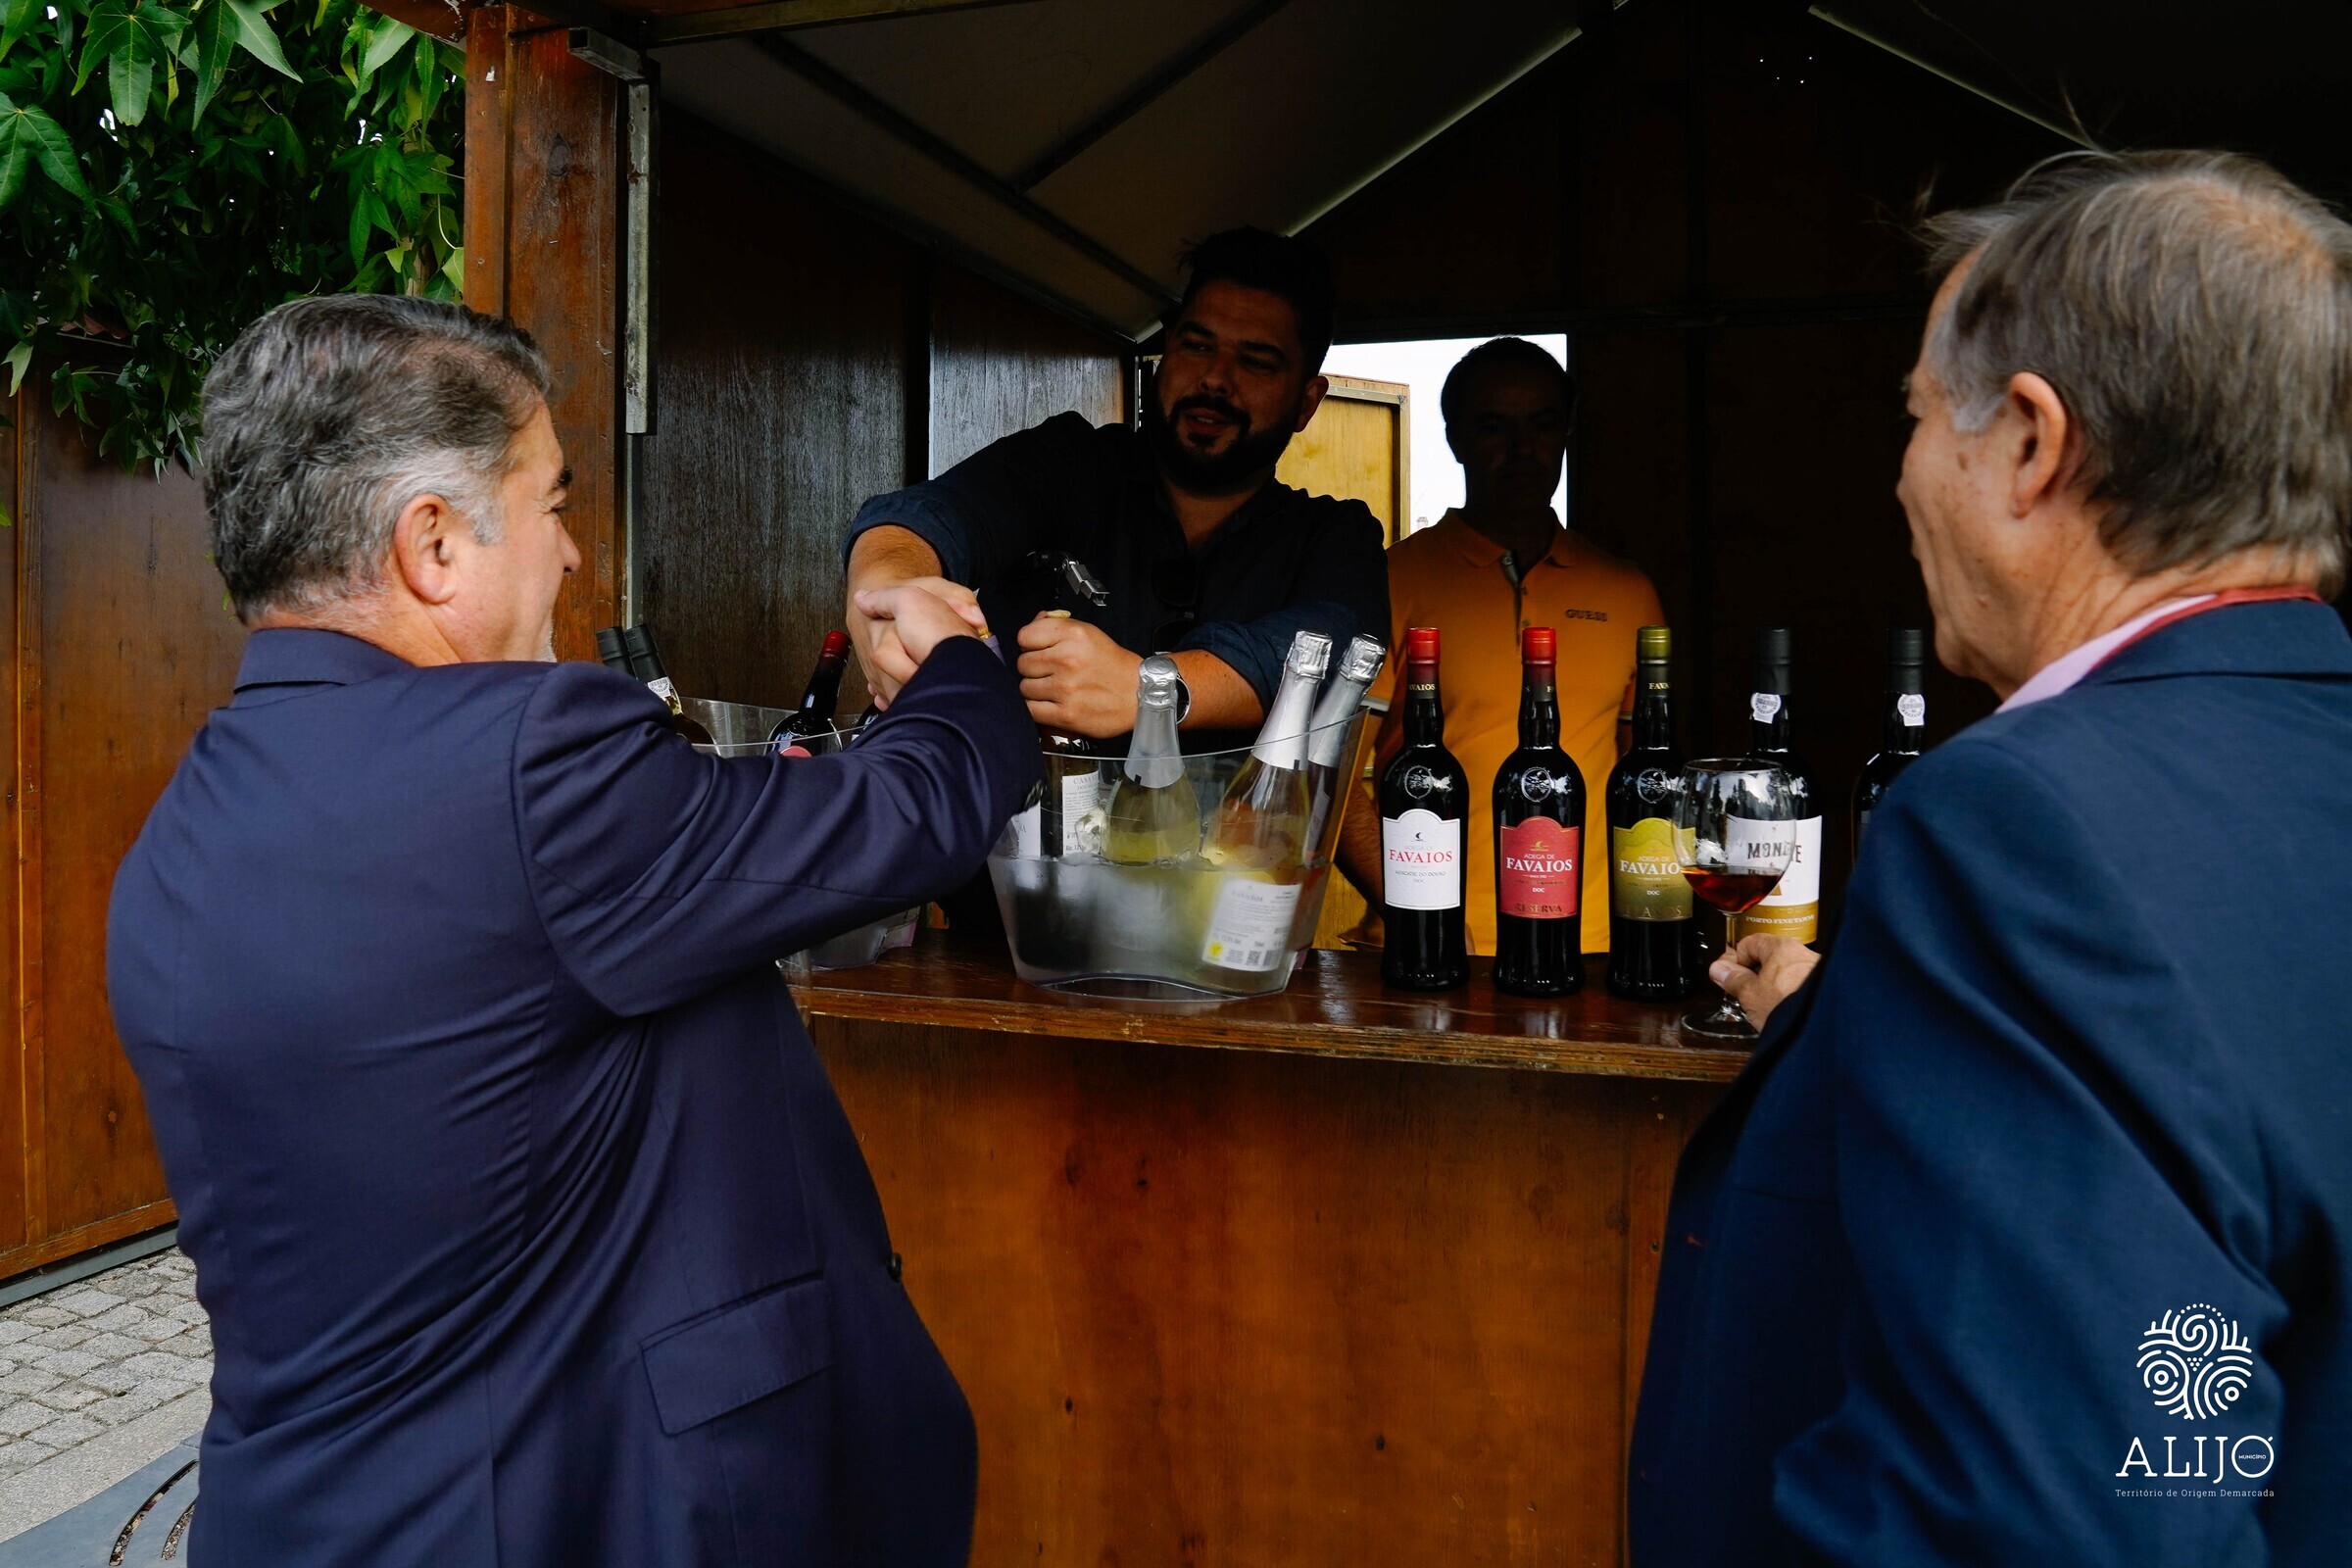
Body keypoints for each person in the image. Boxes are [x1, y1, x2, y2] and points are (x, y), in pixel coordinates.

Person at [106, 296, 1039, 1566]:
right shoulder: (529, 760)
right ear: (434, 544)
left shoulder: (177, 840)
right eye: (550, 505)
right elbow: (911, 816)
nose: (572, 555)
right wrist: (954, 664)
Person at [1632, 151, 2352, 1565]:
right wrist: (1861, 1019)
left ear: (2030, 443)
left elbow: (2046, 1518)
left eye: (1914, 416)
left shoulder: (2019, 827)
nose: (1900, 473)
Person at [842, 226, 1389, 743]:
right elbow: (930, 515)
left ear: (1306, 402)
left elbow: (1336, 644)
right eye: (1197, 346)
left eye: (1256, 362)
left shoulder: (1335, 535)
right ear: (1166, 354)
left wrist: (1154, 691)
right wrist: (889, 589)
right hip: (1022, 809)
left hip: (1240, 816)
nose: (1215, 378)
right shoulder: (1069, 461)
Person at [1335, 337, 1660, 954]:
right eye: (1494, 427)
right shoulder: (1393, 581)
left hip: (1589, 948)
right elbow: (1332, 774)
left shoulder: (1629, 593)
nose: (1522, 449)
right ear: (1455, 438)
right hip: (1428, 949)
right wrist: (1416, 914)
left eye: (1543, 425)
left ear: (1566, 433)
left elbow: (1640, 785)